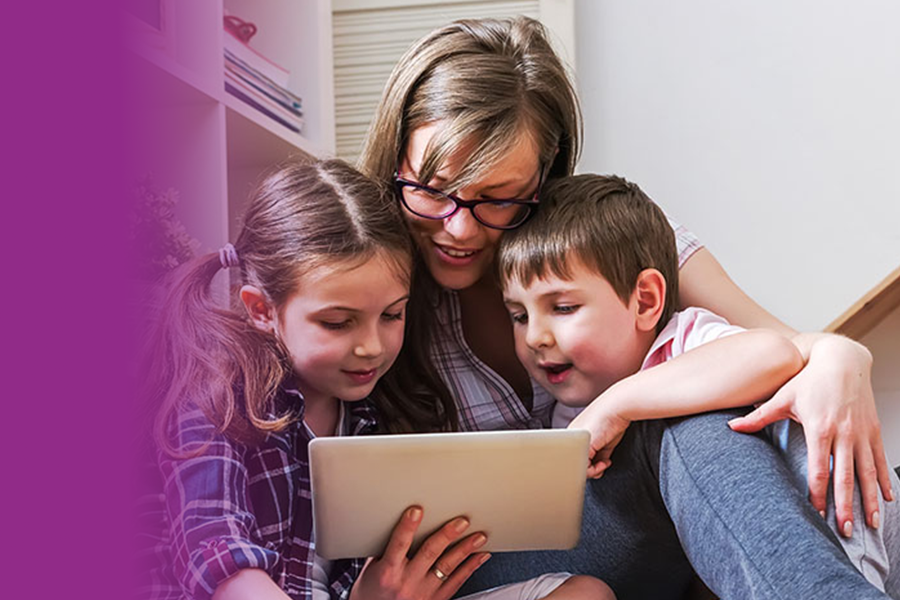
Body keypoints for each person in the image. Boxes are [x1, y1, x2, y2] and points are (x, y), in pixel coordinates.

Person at [358, 15, 895, 599]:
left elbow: (784, 347)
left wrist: (843, 358)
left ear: (543, 173)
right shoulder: (366, 286)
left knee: (687, 409)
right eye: (432, 189)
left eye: (495, 197)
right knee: (680, 416)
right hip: (483, 560)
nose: (458, 227)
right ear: (397, 162)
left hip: (650, 521)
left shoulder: (606, 246)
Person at [141, 159, 612, 600]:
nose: (371, 346)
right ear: (262, 309)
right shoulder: (217, 394)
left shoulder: (376, 407)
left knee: (583, 594)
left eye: (391, 315)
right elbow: (216, 558)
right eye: (337, 322)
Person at [497, 173, 900, 595]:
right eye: (519, 316)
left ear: (646, 301)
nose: (534, 337)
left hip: (843, 510)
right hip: (765, 536)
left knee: (692, 420)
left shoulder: (685, 340)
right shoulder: (566, 402)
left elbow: (775, 353)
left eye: (562, 307)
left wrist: (618, 404)